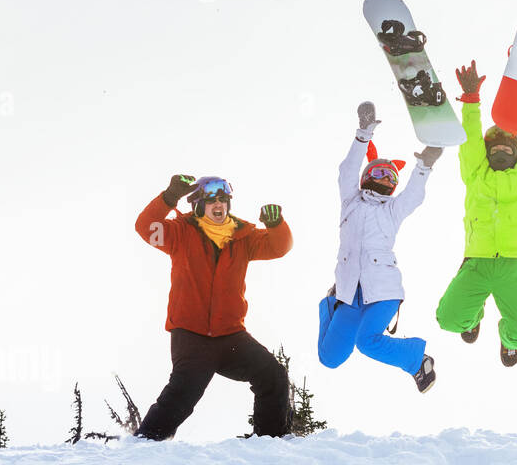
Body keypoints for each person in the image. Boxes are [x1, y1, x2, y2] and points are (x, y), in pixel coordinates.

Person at [133, 175, 293, 440]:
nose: (219, 204)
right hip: (191, 334)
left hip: (231, 336)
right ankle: (145, 441)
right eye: (211, 200)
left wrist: (276, 225)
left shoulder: (243, 235)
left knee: (272, 375)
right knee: (183, 394)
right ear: (197, 205)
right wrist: (169, 196)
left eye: (223, 199)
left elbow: (278, 247)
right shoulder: (180, 232)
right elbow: (145, 227)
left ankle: (270, 442)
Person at [435, 60, 517, 367]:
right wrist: (471, 99)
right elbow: (471, 140)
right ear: (487, 151)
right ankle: (473, 316)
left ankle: (507, 338)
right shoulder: (476, 172)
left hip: (511, 268)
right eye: (495, 145)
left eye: (507, 145)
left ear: (516, 150)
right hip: (476, 263)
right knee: (448, 320)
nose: (501, 148)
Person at [317, 101, 439, 391]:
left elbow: (414, 196)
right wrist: (363, 134)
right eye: (379, 173)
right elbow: (346, 171)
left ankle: (416, 360)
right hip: (349, 294)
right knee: (329, 358)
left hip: (383, 291)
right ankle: (328, 303)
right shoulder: (350, 201)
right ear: (366, 177)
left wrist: (424, 166)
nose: (385, 178)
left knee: (366, 342)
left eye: (391, 176)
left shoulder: (392, 210)